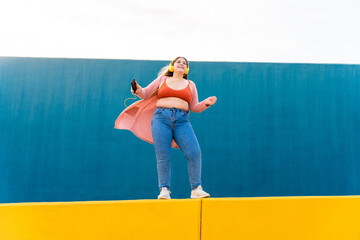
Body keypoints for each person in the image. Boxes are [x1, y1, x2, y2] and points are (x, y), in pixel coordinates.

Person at [115, 57, 217, 199]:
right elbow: (145, 94)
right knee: (163, 155)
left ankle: (196, 189)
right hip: (161, 119)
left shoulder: (190, 84)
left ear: (186, 69)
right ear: (172, 66)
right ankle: (164, 190)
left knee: (194, 152)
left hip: (182, 120)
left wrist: (206, 103)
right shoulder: (162, 80)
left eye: (184, 63)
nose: (181, 64)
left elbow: (194, 107)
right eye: (178, 62)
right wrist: (137, 89)